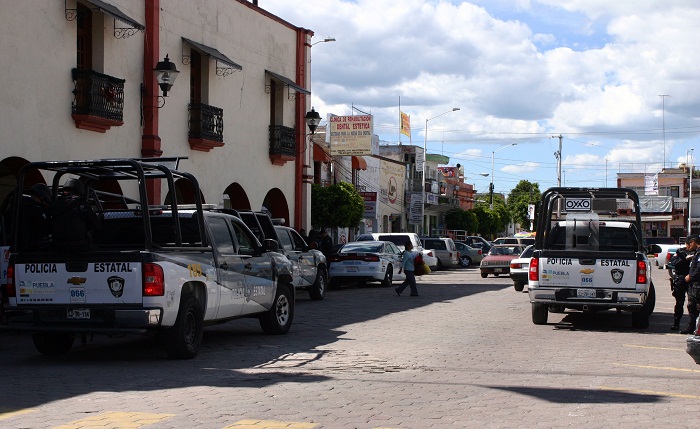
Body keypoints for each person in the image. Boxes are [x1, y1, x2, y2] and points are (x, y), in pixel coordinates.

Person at [50, 178, 100, 252]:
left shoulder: (54, 204)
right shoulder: (82, 205)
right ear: (79, 191)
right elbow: (97, 225)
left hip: (58, 246)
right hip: (80, 246)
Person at [12, 183, 52, 251]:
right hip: (31, 247)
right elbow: (45, 227)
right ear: (43, 197)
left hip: (19, 245)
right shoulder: (36, 209)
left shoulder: (18, 205)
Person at [670, 245, 692, 331]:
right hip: (681, 279)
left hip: (692, 279)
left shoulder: (697, 252)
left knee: (693, 304)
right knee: (679, 303)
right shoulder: (680, 251)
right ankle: (676, 323)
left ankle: (692, 326)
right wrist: (684, 259)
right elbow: (673, 262)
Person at [683, 235, 700, 334]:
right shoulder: (696, 253)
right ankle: (692, 328)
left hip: (697, 284)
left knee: (697, 306)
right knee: (692, 307)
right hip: (694, 285)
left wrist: (691, 276)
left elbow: (699, 269)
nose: (688, 245)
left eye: (690, 243)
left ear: (694, 242)